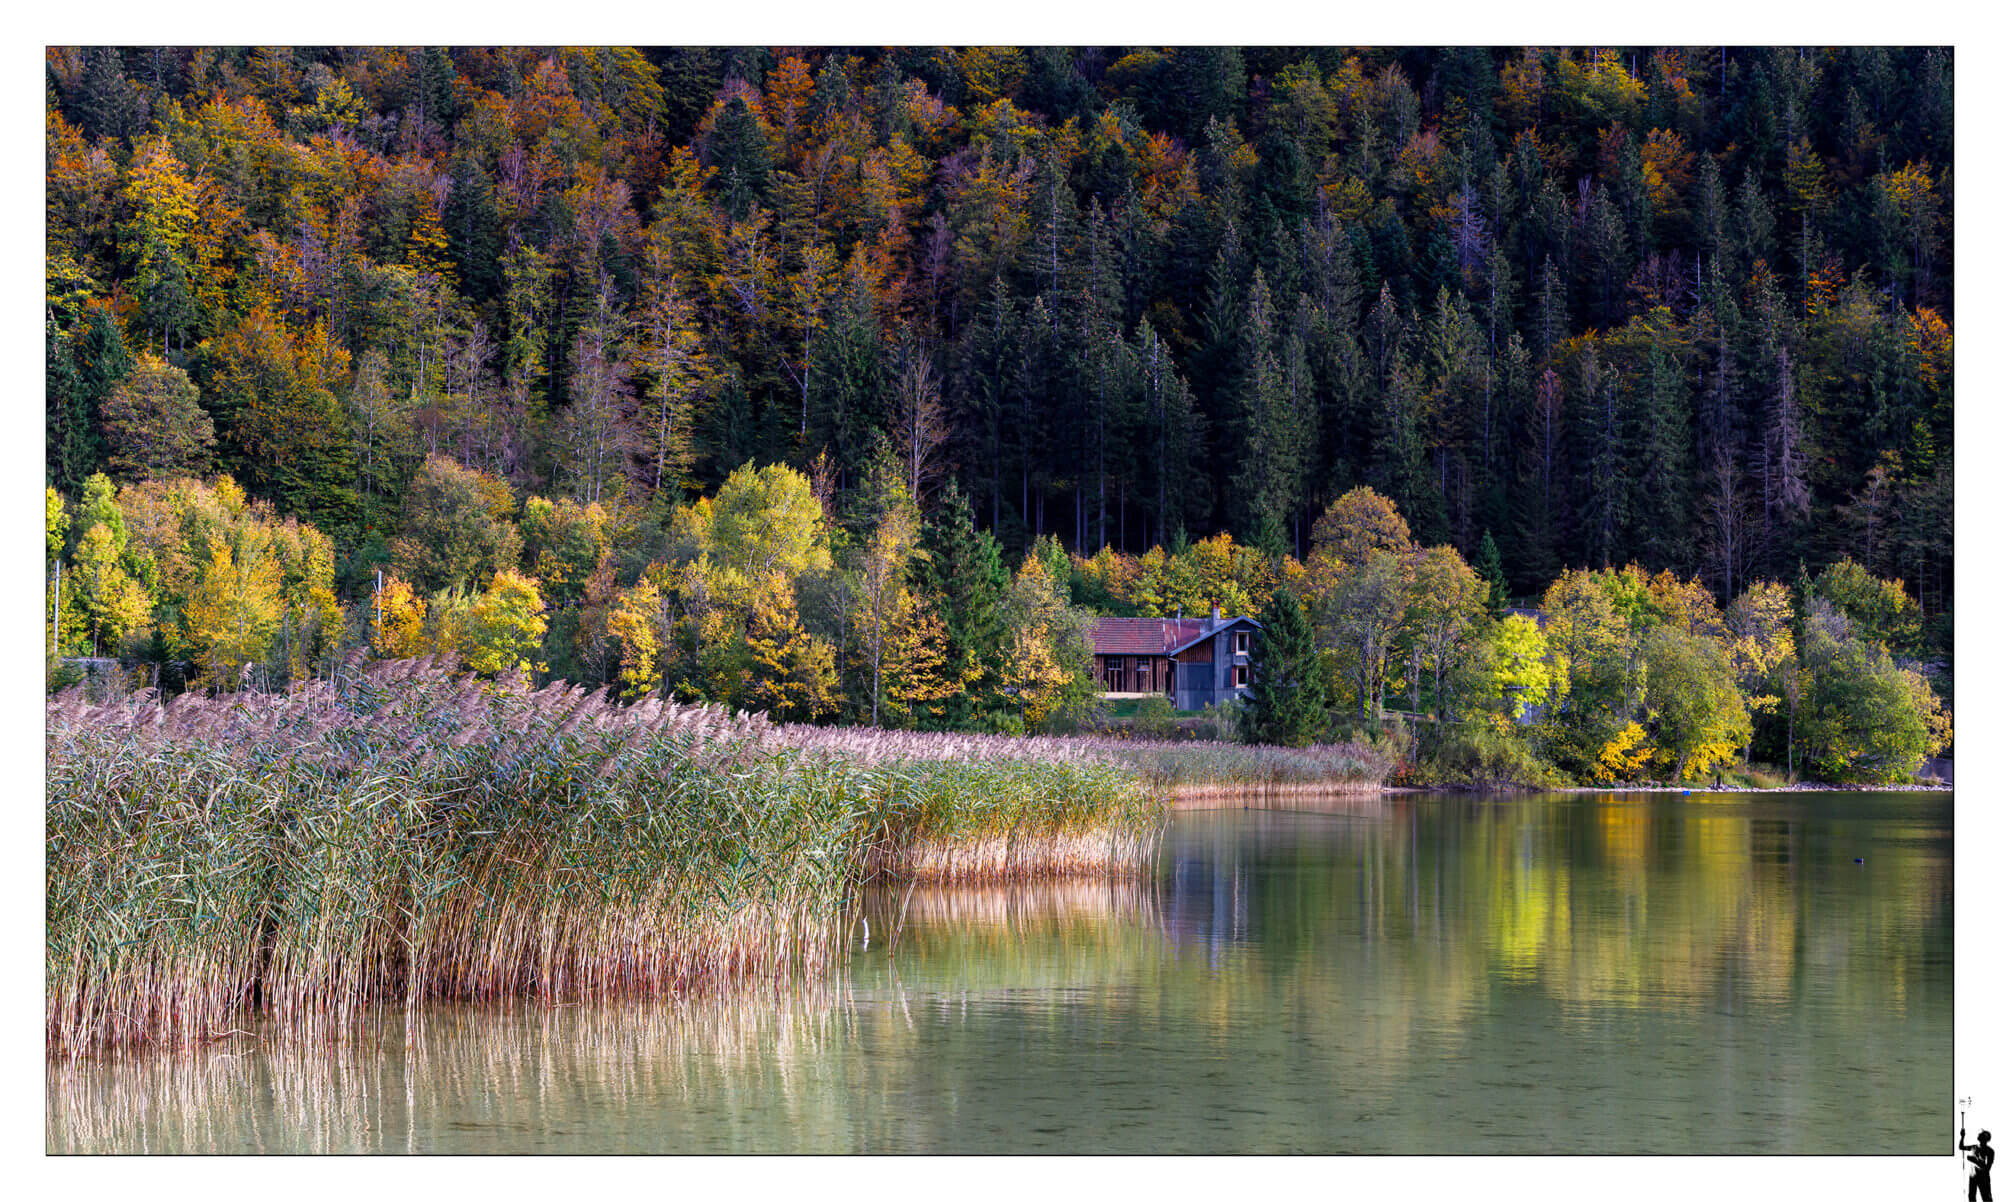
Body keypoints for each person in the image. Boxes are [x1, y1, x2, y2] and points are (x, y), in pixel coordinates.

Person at [1963, 1128, 1994, 1201]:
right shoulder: (1974, 1147)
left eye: (1981, 1134)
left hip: (1983, 1177)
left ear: (1985, 1138)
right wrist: (1962, 1136)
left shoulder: (1990, 1151)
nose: (1979, 1134)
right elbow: (1961, 1147)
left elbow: (1987, 1168)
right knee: (1971, 1197)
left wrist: (1975, 1161)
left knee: (1986, 1198)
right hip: (1973, 1176)